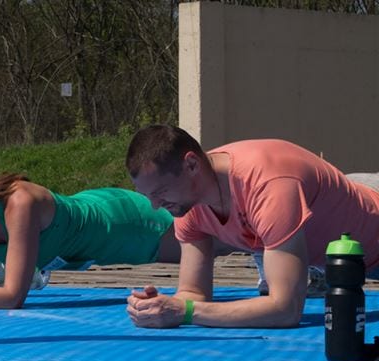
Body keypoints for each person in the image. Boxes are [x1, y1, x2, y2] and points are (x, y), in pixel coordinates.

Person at [125, 124, 379, 329]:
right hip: (350, 251)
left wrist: (185, 312)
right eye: (149, 196)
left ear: (191, 164)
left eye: (160, 192)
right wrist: (161, 307)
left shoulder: (268, 184)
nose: (156, 206)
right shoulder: (186, 202)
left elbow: (285, 310)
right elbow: (193, 293)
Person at [0, 168, 177, 310]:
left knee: (219, 244)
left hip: (129, 224)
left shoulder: (19, 204)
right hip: (101, 237)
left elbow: (12, 297)